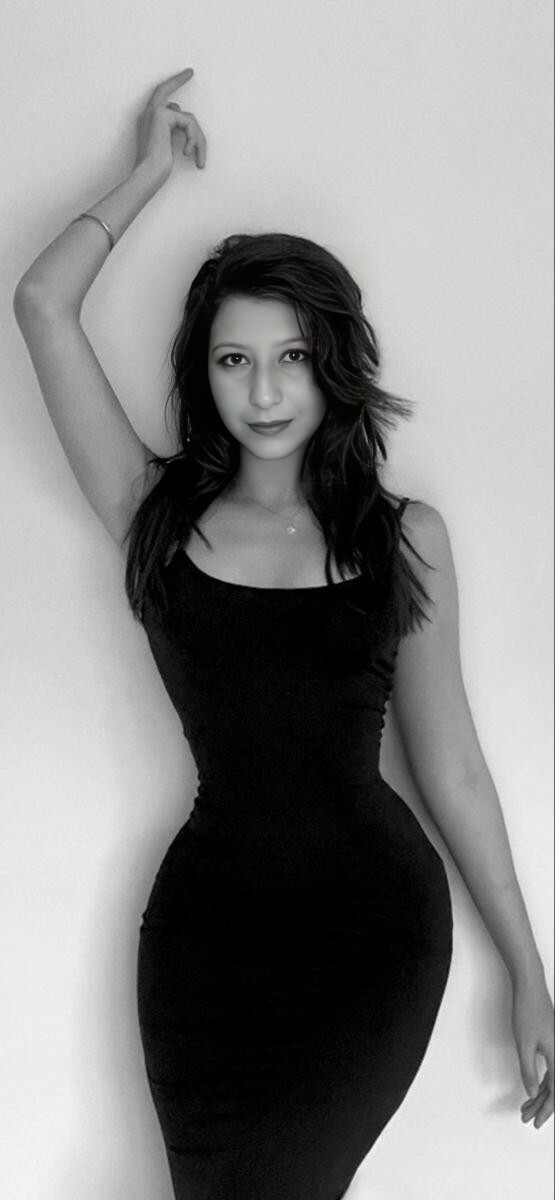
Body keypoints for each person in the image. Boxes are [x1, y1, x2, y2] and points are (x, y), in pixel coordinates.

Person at [13, 67, 554, 1200]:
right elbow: (42, 306)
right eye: (234, 358)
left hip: (370, 937)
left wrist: (527, 966)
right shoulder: (154, 515)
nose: (264, 390)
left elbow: (451, 765)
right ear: (202, 372)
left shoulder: (403, 539)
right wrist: (146, 172)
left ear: (333, 363)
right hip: (206, 945)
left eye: (292, 355)